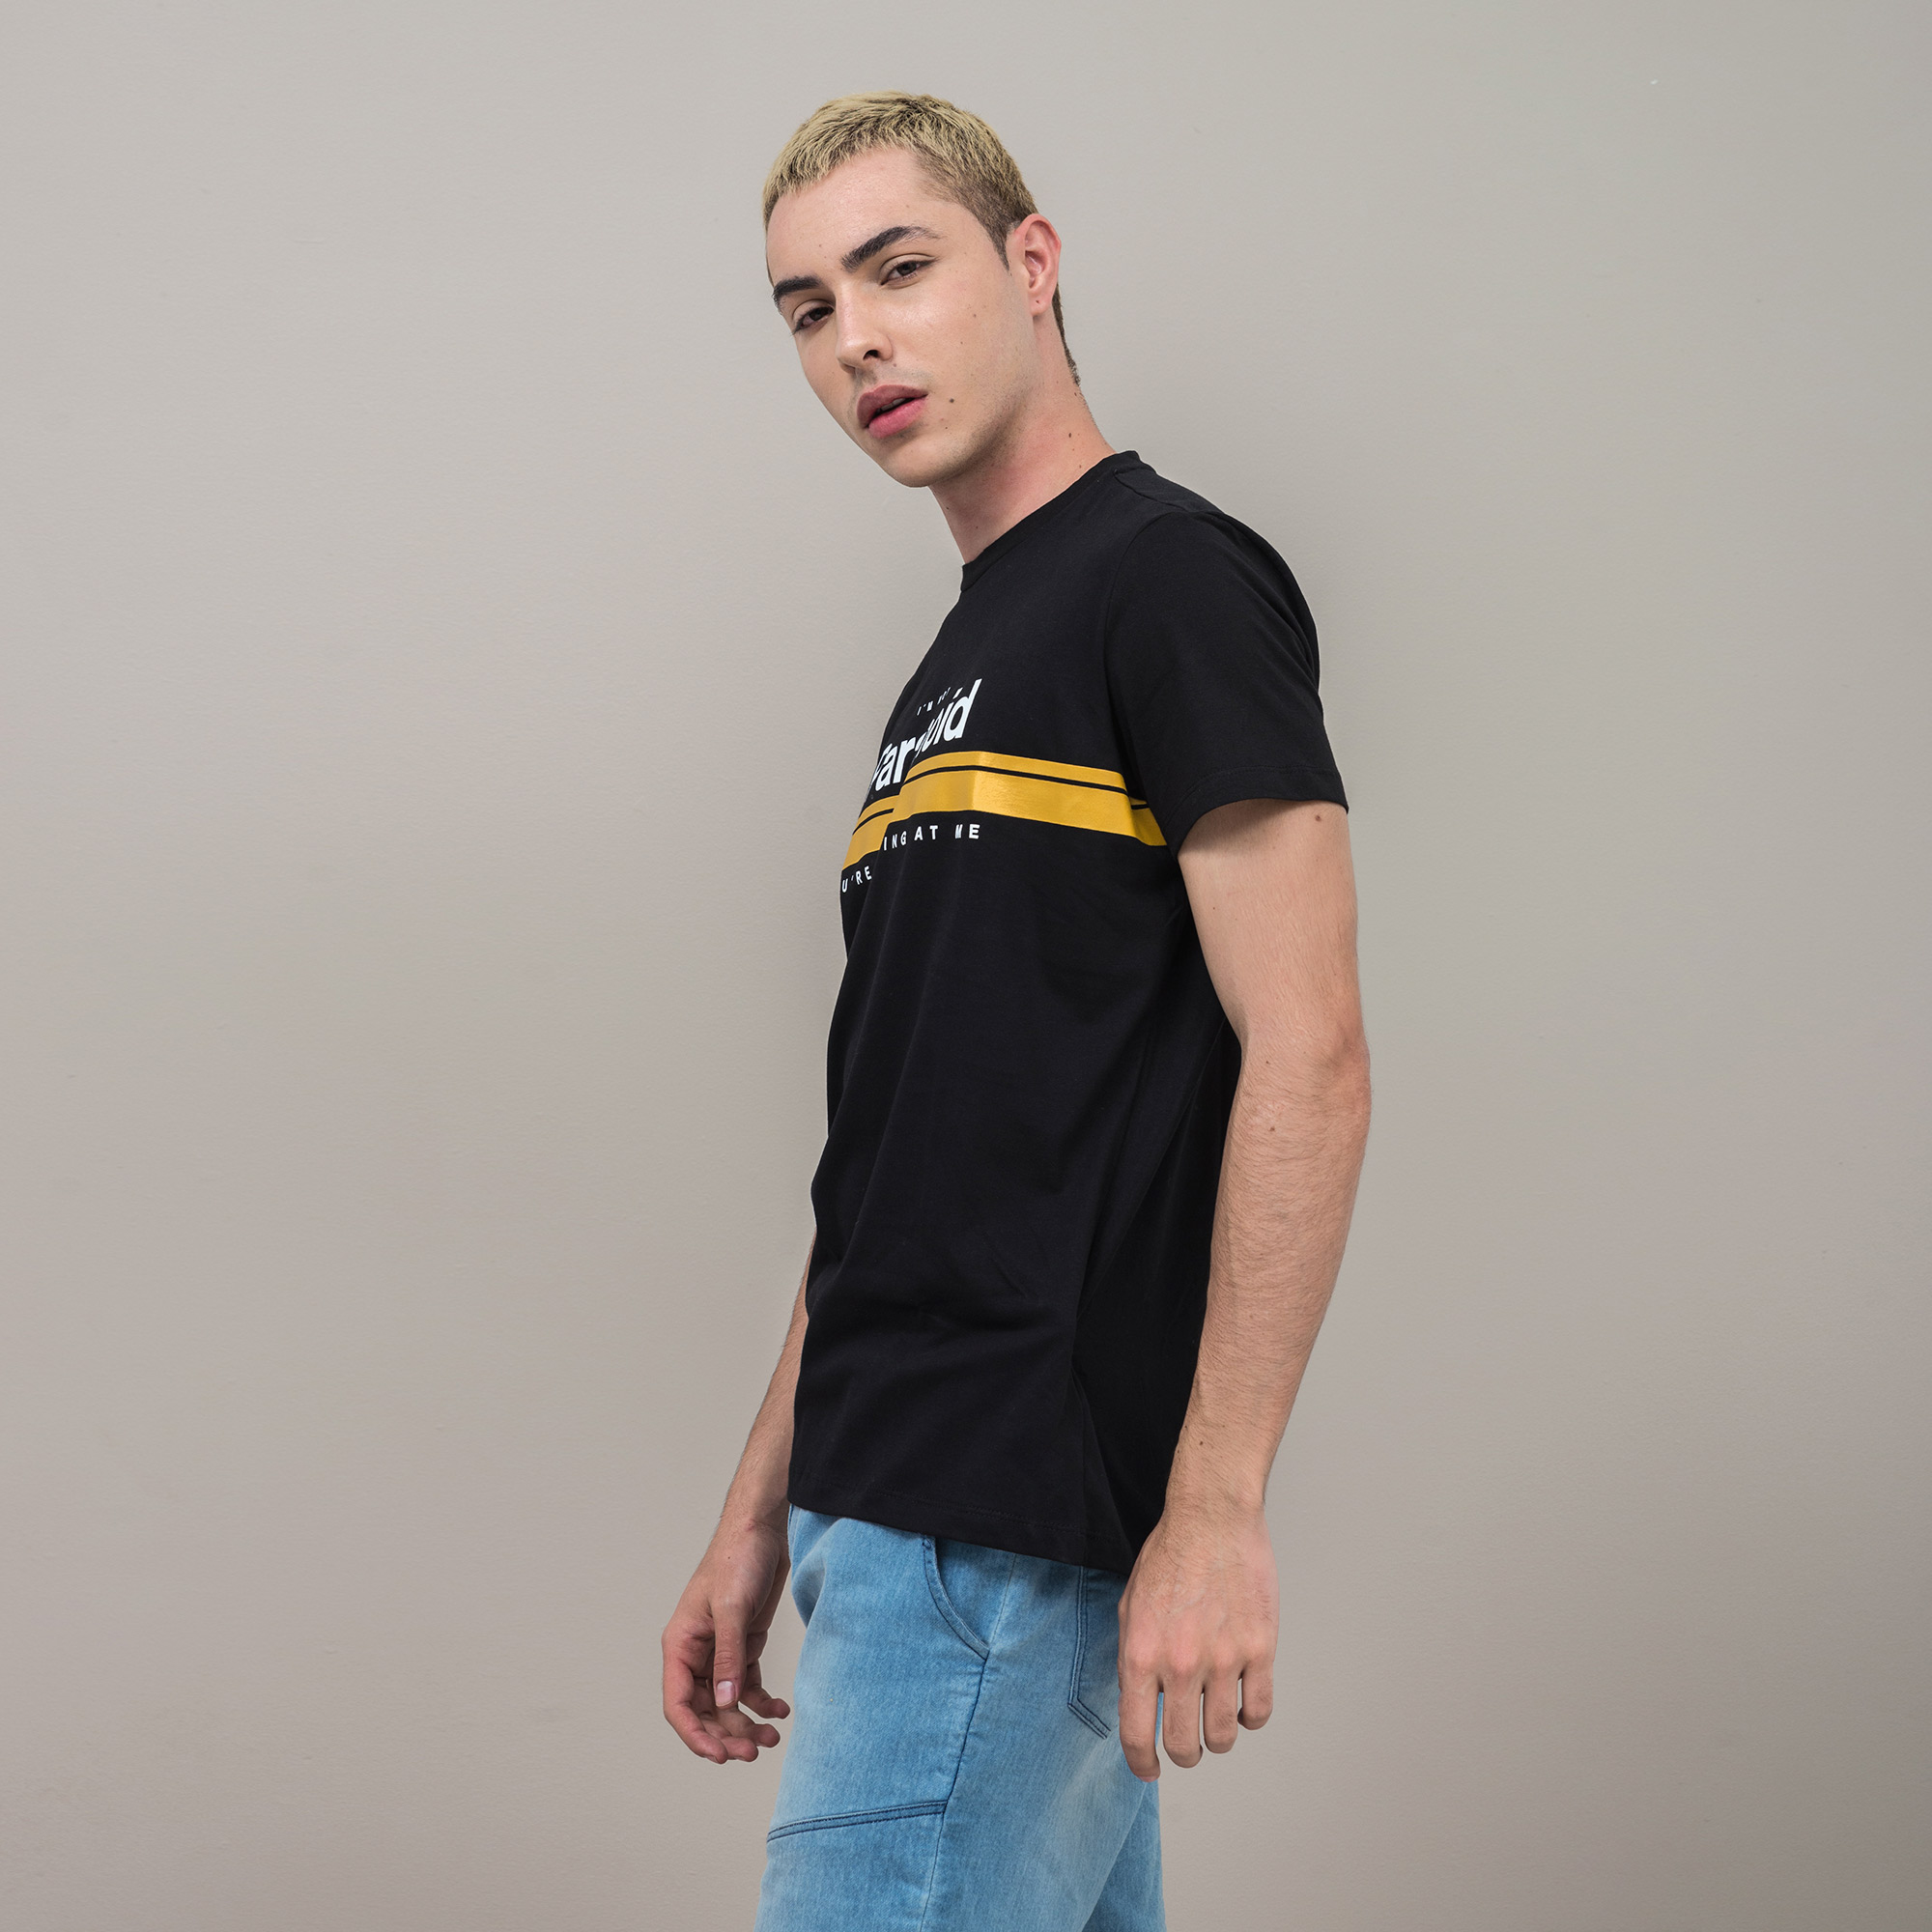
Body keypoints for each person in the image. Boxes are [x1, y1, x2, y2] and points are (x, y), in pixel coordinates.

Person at [661, 92, 1371, 1932]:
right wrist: (761, 1510)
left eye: (899, 268)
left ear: (1031, 263)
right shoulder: (956, 668)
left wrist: (1216, 1506)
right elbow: (901, 1149)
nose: (857, 338)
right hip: (891, 1511)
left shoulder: (1169, 580)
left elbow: (1309, 1056)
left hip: (1003, 1518)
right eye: (810, 308)